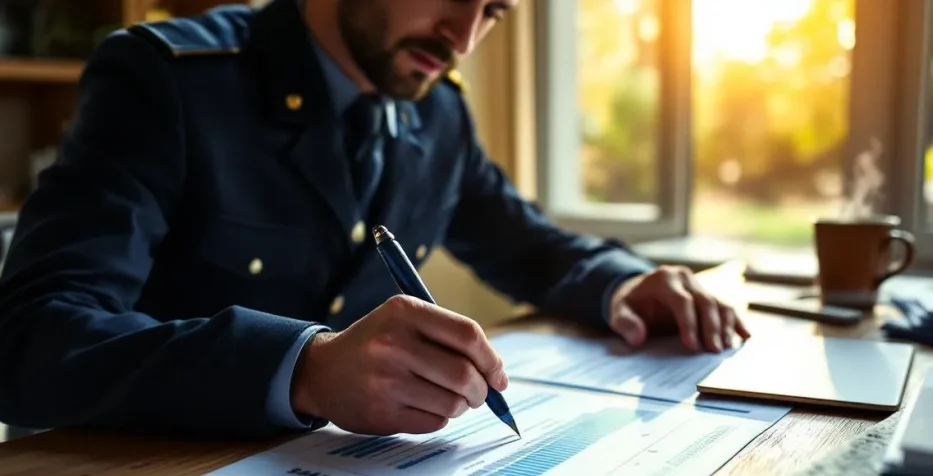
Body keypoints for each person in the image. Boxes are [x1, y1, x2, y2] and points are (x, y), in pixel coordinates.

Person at [0, 0, 749, 440]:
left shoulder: (438, 113)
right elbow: (30, 338)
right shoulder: (167, 79)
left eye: (492, 10)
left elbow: (523, 241)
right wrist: (304, 369)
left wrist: (624, 283)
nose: (461, 38)